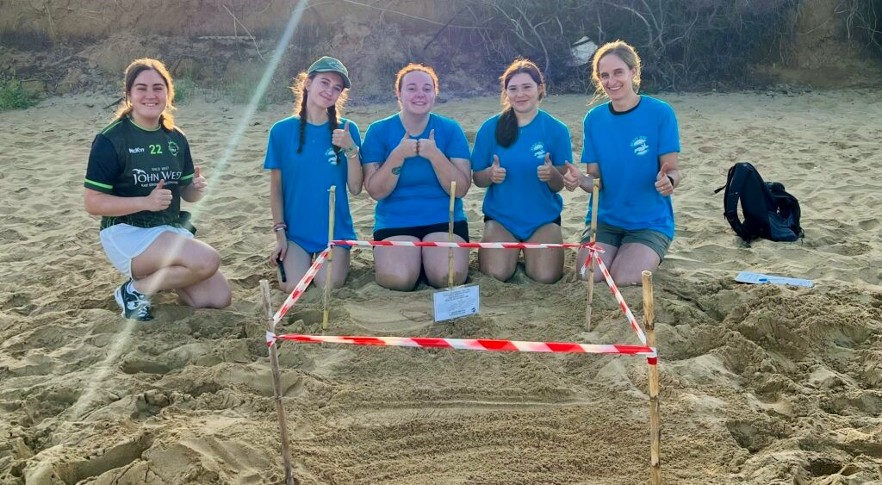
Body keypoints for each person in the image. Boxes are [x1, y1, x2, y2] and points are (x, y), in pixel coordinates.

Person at [84, 58, 231, 321]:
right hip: (128, 232)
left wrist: (197, 188)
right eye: (141, 88)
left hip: (166, 228)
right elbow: (93, 203)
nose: (150, 95)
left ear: (168, 92)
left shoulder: (175, 137)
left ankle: (160, 276)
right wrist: (145, 202)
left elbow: (187, 195)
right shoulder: (111, 139)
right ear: (128, 94)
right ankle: (135, 289)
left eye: (157, 87)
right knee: (208, 260)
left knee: (216, 299)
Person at [564, 40, 682, 285]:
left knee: (623, 278)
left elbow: (674, 171)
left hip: (649, 222)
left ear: (633, 72)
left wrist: (668, 182)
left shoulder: (660, 113)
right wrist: (579, 181)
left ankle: (647, 251)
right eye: (604, 75)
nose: (612, 81)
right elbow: (596, 181)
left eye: (618, 72)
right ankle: (623, 251)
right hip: (605, 221)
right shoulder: (594, 119)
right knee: (589, 276)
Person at [361, 63, 472, 291]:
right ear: (399, 94)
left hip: (445, 218)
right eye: (411, 88)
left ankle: (426, 259)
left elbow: (460, 189)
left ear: (435, 93)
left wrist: (435, 155)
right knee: (399, 280)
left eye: (427, 88)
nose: (420, 94)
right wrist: (397, 156)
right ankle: (414, 260)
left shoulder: (450, 129)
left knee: (447, 277)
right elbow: (376, 191)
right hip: (395, 221)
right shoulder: (378, 131)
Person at [265, 56, 363, 292]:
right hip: (296, 232)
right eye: (324, 82)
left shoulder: (348, 129)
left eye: (336, 88)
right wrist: (280, 234)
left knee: (327, 285)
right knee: (293, 287)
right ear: (308, 83)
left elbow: (356, 187)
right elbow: (276, 188)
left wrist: (350, 149)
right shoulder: (280, 131)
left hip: (334, 231)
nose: (329, 91)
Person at [471, 59, 572, 284]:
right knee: (496, 274)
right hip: (501, 218)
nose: (520, 94)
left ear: (540, 89)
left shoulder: (557, 130)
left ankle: (531, 253)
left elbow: (560, 184)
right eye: (513, 89)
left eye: (527, 87)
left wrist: (551, 174)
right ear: (506, 93)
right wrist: (490, 175)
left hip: (543, 219)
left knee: (545, 277)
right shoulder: (490, 128)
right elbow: (477, 178)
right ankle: (509, 254)